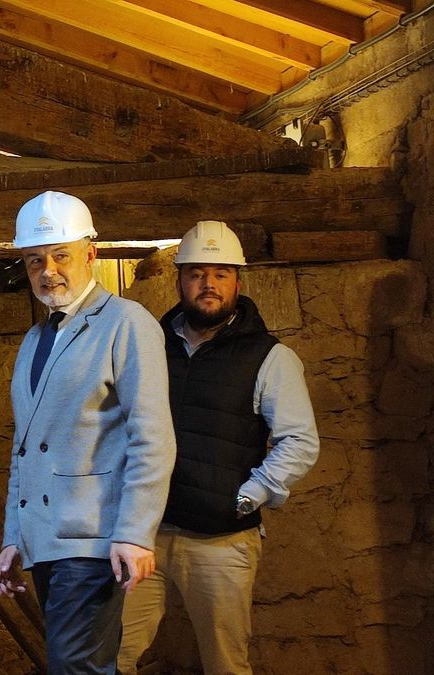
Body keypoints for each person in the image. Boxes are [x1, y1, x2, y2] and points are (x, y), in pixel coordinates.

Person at [117, 221, 320, 675]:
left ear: (237, 283)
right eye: (196, 273)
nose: (208, 284)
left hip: (221, 540)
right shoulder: (151, 347)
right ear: (179, 281)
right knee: (113, 654)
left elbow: (299, 440)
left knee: (225, 664)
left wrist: (249, 495)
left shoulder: (269, 357)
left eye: (221, 273)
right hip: (145, 533)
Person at [0, 190, 176, 674]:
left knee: (75, 666)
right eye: (35, 260)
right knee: (81, 667)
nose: (48, 270)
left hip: (94, 540)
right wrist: (14, 538)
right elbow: (24, 450)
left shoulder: (126, 324)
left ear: (90, 254)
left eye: (61, 255)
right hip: (47, 541)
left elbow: (152, 437)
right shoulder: (35, 339)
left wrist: (135, 533)